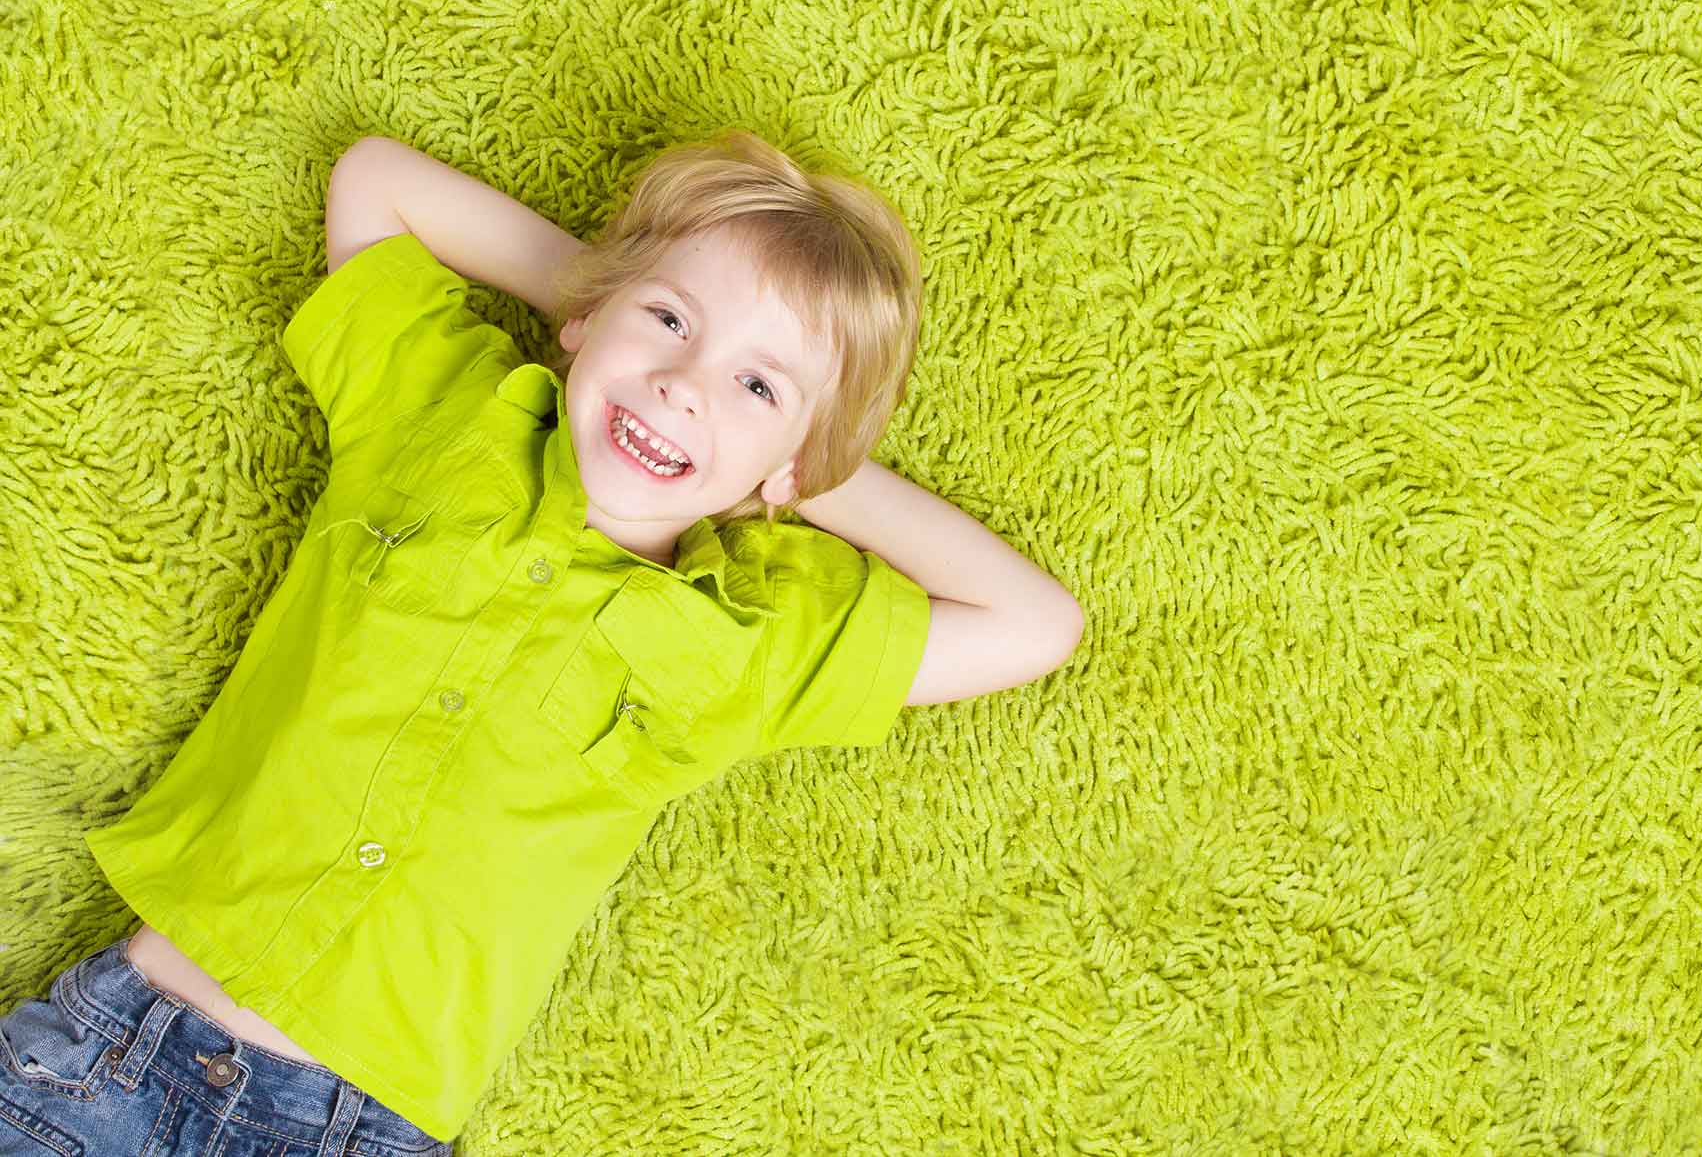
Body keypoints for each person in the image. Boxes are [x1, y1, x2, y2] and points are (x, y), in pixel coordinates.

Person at [0, 130, 1084, 1154]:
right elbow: (375, 179)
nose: (681, 385)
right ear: (584, 313)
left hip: (346, 1128)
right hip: (100, 1066)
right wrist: (613, 293)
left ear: (790, 466)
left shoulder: (750, 639)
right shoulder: (446, 419)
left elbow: (1035, 623)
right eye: (669, 321)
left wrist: (810, 471)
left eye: (756, 385)